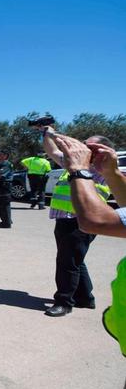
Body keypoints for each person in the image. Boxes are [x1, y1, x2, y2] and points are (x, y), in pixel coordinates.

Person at [50, 132, 126, 389]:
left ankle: (68, 300)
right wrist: (110, 171)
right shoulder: (104, 171)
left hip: (78, 221)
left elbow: (94, 218)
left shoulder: (82, 172)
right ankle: (84, 297)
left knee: (70, 264)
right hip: (68, 218)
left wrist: (81, 170)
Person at [38, 126, 112, 317]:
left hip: (83, 220)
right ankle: (85, 298)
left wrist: (55, 133)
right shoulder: (74, 163)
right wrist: (46, 135)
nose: (84, 148)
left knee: (67, 262)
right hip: (64, 218)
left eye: (90, 146)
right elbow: (52, 151)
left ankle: (64, 302)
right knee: (75, 260)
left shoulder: (102, 168)